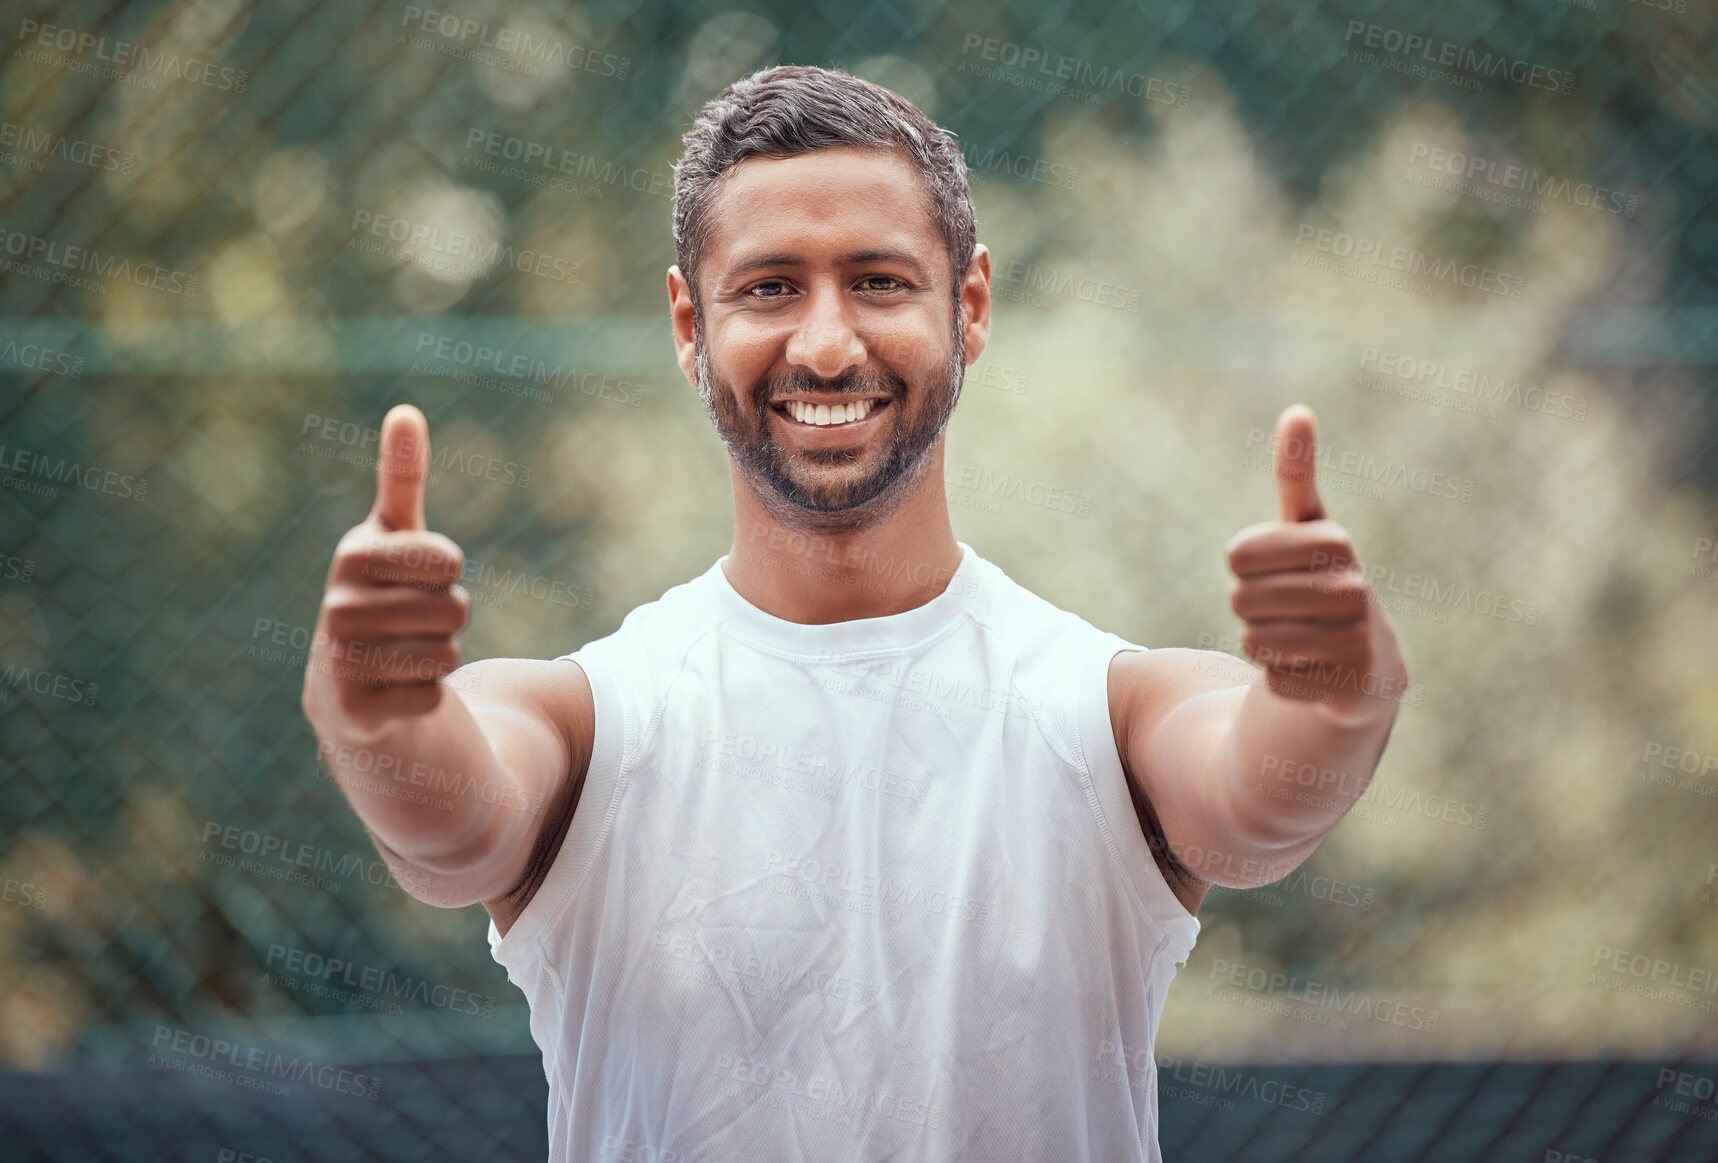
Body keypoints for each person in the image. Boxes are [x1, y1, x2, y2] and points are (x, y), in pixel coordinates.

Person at [301, 64, 1408, 1163]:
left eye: (877, 281)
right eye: (769, 286)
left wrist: (1332, 694)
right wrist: (377, 715)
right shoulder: (587, 720)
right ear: (688, 323)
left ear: (967, 307)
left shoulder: (1106, 708)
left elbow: (1256, 802)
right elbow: (447, 827)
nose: (826, 345)